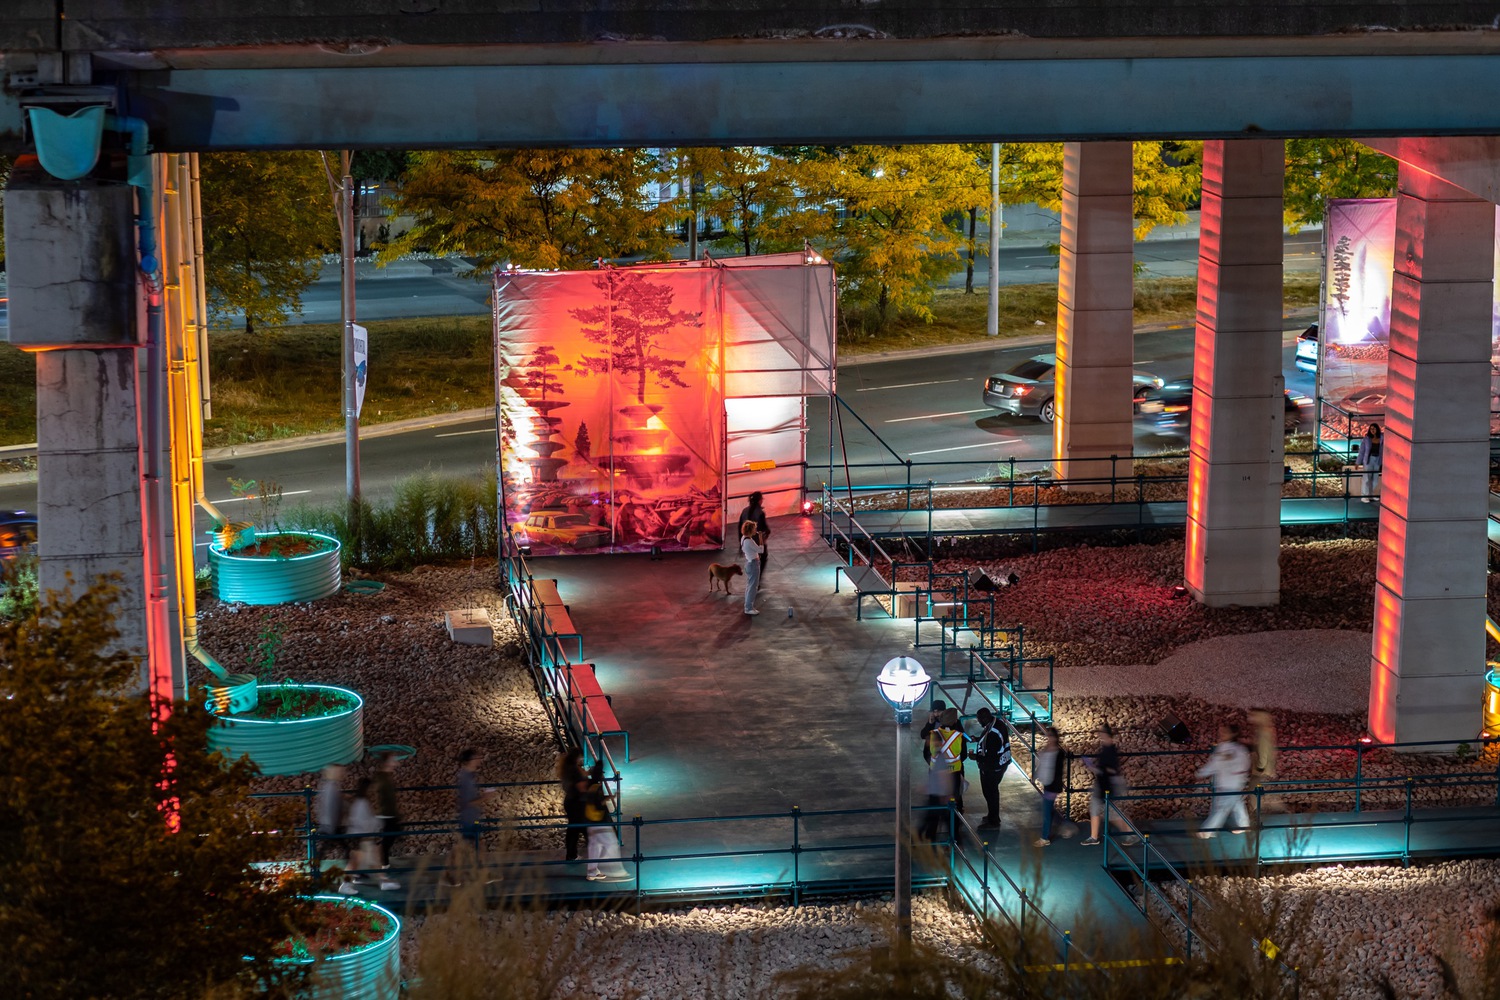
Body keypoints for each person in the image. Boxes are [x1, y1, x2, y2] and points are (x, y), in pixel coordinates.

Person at [445, 748, 498, 887]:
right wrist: (485, 798)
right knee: (467, 846)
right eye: (477, 757)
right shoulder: (466, 778)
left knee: (474, 845)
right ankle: (452, 875)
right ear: (469, 761)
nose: (480, 759)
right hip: (469, 818)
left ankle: (480, 874)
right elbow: (468, 802)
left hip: (470, 817)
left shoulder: (468, 775)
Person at [1081, 723, 1137, 847]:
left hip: (1107, 785)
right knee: (1096, 809)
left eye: (1101, 732)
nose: (1099, 734)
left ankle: (1132, 834)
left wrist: (1097, 769)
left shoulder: (1110, 750)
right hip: (1102, 784)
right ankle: (1093, 836)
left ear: (1106, 734)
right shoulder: (1107, 748)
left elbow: (1112, 770)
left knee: (1113, 814)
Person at [1196, 722, 1253, 838]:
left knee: (1221, 808)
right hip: (1234, 782)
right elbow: (1245, 764)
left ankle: (1207, 831)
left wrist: (1201, 773)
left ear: (1232, 734)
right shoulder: (1238, 748)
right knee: (1237, 804)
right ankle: (1244, 825)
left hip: (1227, 783)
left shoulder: (1225, 748)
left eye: (1225, 732)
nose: (1221, 733)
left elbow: (1215, 764)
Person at [344, 779, 401, 893]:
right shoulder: (362, 803)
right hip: (362, 836)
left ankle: (382, 881)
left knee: (368, 860)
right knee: (364, 861)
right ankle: (382, 881)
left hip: (361, 836)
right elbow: (364, 821)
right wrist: (377, 824)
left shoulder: (360, 802)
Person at [921, 707, 966, 841]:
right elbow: (963, 756)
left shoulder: (932, 734)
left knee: (933, 806)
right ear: (954, 721)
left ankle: (930, 836)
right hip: (954, 776)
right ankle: (954, 837)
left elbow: (926, 754)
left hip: (935, 775)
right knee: (952, 808)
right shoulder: (959, 737)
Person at [583, 760, 629, 881]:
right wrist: (610, 798)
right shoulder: (597, 787)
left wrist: (611, 797)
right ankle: (615, 871)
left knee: (594, 846)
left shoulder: (589, 784)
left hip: (590, 821)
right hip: (599, 821)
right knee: (611, 844)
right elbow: (599, 803)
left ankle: (592, 871)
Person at [970, 707, 1011, 830]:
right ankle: (992, 815)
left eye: (979, 719)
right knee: (992, 792)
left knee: (990, 792)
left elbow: (991, 756)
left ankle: (993, 821)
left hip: (993, 768)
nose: (979, 722)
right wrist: (977, 739)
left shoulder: (993, 731)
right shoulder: (997, 724)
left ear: (984, 718)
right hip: (1001, 763)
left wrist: (975, 757)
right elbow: (990, 743)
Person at [1033, 725, 1069, 847]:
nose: (1048, 738)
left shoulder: (1058, 753)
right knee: (1049, 810)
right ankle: (1066, 826)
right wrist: (1036, 775)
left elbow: (1057, 771)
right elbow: (1042, 765)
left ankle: (1044, 838)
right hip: (1047, 783)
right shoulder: (1047, 749)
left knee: (1047, 811)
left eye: (1050, 736)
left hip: (1052, 785)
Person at [313, 763, 346, 888]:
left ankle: (315, 874)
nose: (341, 774)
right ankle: (355, 873)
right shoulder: (331, 788)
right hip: (331, 827)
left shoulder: (328, 786)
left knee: (323, 851)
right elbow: (329, 808)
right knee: (346, 850)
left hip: (329, 826)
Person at [370, 751, 402, 870]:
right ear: (387, 762)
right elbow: (384, 796)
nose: (395, 762)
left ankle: (383, 863)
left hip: (387, 813)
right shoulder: (383, 778)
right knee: (388, 840)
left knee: (389, 838)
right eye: (393, 759)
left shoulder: (385, 776)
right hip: (386, 814)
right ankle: (382, 863)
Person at [558, 747, 590, 863]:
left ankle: (571, 855)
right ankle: (595, 852)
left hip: (570, 801)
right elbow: (582, 787)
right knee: (584, 828)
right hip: (577, 803)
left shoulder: (567, 768)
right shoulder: (575, 770)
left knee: (573, 829)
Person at [1248, 708, 1280, 812]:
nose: (1251, 718)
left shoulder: (1262, 732)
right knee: (1259, 791)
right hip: (1264, 768)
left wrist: (1260, 766)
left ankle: (1252, 816)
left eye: (1254, 715)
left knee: (1254, 792)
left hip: (1260, 770)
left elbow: (1263, 750)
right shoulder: (1267, 730)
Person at [737, 491, 769, 571]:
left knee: (751, 559)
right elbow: (763, 528)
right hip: (756, 541)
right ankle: (757, 577)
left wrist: (741, 544)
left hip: (745, 540)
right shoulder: (760, 513)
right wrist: (767, 532)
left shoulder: (744, 511)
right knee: (763, 556)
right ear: (759, 501)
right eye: (761, 499)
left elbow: (739, 527)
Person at [740, 520, 764, 616]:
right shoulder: (749, 541)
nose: (756, 530)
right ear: (750, 530)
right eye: (754, 529)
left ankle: (747, 605)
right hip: (753, 564)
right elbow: (761, 550)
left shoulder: (744, 538)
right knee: (753, 587)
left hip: (749, 563)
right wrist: (760, 537)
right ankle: (748, 608)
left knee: (750, 586)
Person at [1357, 423, 1382, 502]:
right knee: (1367, 478)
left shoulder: (1382, 438)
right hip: (1369, 459)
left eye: (1374, 429)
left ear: (1377, 429)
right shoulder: (1366, 439)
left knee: (1375, 479)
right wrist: (1358, 462)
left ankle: (1371, 494)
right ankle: (1364, 496)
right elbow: (1362, 451)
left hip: (1378, 459)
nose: (1372, 430)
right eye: (1371, 429)